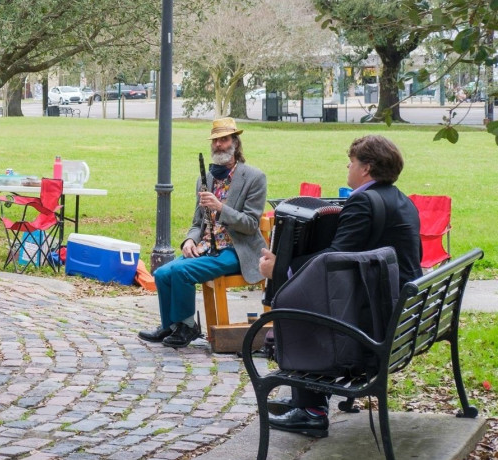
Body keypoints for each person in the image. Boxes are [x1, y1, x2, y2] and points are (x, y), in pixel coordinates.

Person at [259, 134, 421, 439]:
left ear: (366, 168)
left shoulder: (363, 200)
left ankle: (311, 411)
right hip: (403, 311)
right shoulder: (401, 199)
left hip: (379, 323)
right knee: (312, 302)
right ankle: (304, 397)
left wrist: (280, 267)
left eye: (352, 161)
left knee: (299, 310)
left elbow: (334, 259)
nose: (348, 166)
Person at [138, 117, 268, 348]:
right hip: (207, 247)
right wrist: (189, 239)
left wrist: (220, 208)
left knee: (180, 271)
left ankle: (188, 327)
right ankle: (171, 325)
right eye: (215, 140)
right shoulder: (205, 179)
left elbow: (250, 224)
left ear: (235, 144)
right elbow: (197, 222)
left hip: (236, 250)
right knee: (161, 273)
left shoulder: (254, 177)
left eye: (224, 139)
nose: (219, 145)